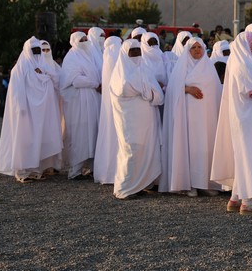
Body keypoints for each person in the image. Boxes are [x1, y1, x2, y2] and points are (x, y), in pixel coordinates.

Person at [211, 31, 252, 215]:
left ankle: (236, 197)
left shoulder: (239, 61)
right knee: (249, 155)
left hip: (245, 116)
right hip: (247, 117)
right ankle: (248, 202)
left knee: (244, 155)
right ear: (246, 46)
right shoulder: (244, 64)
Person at [159, 37, 222, 196]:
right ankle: (189, 184)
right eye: (193, 48)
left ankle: (205, 182)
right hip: (187, 116)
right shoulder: (182, 67)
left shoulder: (209, 67)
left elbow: (216, 92)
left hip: (207, 116)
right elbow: (172, 90)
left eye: (199, 47)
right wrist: (187, 89)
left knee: (205, 146)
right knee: (189, 146)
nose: (197, 50)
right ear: (188, 50)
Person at [0, 37, 62, 183]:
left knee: (39, 140)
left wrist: (47, 72)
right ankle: (22, 172)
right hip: (26, 111)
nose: (37, 53)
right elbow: (16, 91)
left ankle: (35, 170)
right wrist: (20, 107)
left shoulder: (45, 65)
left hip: (42, 112)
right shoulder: (21, 67)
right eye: (35, 50)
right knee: (25, 140)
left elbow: (57, 81)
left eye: (39, 50)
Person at [110, 39, 164, 199]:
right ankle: (124, 188)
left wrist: (146, 92)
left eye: (138, 52)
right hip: (129, 122)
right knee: (131, 150)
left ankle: (140, 184)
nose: (136, 55)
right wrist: (148, 91)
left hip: (147, 121)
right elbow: (124, 87)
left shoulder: (144, 69)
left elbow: (158, 95)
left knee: (145, 150)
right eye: (132, 52)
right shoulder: (119, 73)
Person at [60, 32, 102, 179]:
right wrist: (95, 83)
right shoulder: (71, 58)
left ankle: (90, 167)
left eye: (85, 39)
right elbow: (75, 80)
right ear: (74, 42)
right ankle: (74, 171)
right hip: (78, 104)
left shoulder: (90, 55)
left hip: (92, 101)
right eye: (81, 40)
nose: (84, 42)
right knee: (79, 135)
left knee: (93, 133)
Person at [93, 36, 122, 184]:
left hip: (107, 105)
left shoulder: (106, 56)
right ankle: (116, 171)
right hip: (119, 104)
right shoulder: (117, 57)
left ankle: (107, 171)